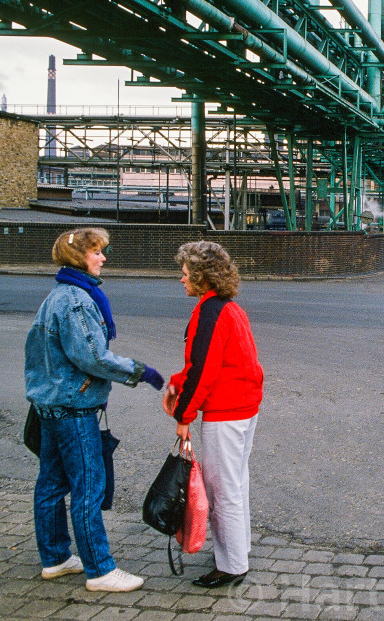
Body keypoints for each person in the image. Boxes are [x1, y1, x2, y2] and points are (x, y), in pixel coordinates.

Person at [24, 228, 165, 592]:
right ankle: (100, 570)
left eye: (103, 251)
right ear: (78, 257)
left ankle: (55, 558)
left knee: (52, 484)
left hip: (50, 405)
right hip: (73, 407)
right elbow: (93, 357)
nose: (103, 258)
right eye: (97, 252)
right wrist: (141, 372)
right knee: (88, 487)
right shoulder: (77, 299)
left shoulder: (57, 295)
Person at [163, 241, 264, 589]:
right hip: (243, 406)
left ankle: (232, 564)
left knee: (222, 489)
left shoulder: (208, 313)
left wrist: (183, 414)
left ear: (203, 278)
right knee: (235, 483)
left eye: (186, 273)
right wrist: (180, 383)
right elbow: (216, 363)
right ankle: (238, 549)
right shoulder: (230, 309)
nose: (182, 279)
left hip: (225, 411)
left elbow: (203, 368)